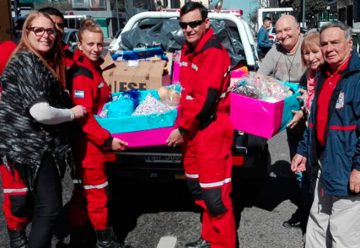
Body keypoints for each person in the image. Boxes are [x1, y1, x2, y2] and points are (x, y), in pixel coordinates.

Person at [0, 11, 86, 248]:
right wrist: (72, 113)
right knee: (49, 209)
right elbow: (41, 112)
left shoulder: (38, 59)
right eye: (38, 30)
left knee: (43, 206)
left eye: (50, 31)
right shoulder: (27, 61)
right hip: (33, 146)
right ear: (26, 33)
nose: (45, 35)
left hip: (35, 145)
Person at [166, 2, 236, 248]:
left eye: (194, 23)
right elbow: (187, 93)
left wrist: (182, 130)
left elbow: (206, 101)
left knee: (215, 198)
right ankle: (209, 237)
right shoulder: (187, 49)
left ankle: (224, 244)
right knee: (199, 190)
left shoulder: (214, 52)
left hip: (210, 133)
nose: (189, 29)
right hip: (192, 135)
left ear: (206, 23)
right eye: (184, 25)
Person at [291, 21, 360, 248]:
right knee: (317, 225)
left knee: (343, 234)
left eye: (335, 42)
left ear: (349, 44)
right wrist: (302, 150)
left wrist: (359, 168)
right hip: (324, 164)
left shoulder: (356, 78)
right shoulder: (322, 75)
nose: (328, 48)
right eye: (324, 44)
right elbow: (314, 121)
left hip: (347, 167)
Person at [67, 19, 128, 248]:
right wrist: (107, 140)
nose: (95, 49)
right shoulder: (83, 74)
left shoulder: (94, 67)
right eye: (90, 44)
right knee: (96, 195)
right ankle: (105, 243)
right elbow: (84, 117)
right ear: (80, 44)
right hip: (88, 146)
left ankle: (79, 238)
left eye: (99, 44)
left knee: (83, 194)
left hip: (93, 142)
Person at [257, 14, 307, 229]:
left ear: (298, 30)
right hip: (290, 119)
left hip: (312, 113)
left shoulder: (309, 46)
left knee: (318, 167)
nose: (283, 35)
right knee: (298, 166)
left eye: (287, 30)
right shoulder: (275, 50)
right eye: (278, 31)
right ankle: (305, 209)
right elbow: (260, 76)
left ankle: (317, 213)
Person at [286, 31, 324, 234]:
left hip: (326, 144)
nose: (310, 58)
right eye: (306, 53)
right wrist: (302, 111)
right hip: (310, 138)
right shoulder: (307, 77)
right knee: (307, 182)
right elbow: (310, 112)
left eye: (315, 52)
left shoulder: (327, 77)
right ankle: (309, 223)